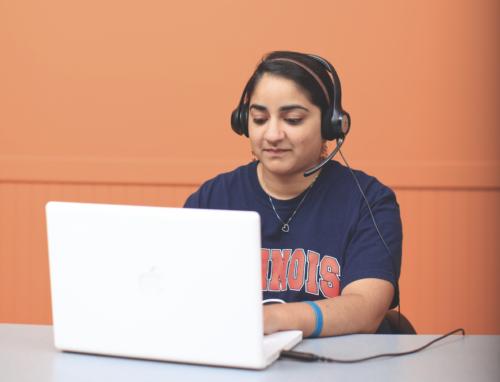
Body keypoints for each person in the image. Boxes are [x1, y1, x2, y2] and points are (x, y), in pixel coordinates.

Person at [184, 51, 402, 337]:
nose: (272, 134)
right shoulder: (211, 199)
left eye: (293, 119)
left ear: (330, 125)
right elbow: (179, 293)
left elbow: (366, 308)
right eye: (260, 119)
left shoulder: (369, 201)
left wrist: (272, 319)